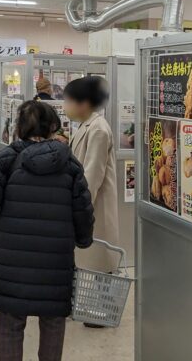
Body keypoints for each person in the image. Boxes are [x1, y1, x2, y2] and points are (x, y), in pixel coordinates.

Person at [0, 101, 94, 361]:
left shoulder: (4, 160)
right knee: (53, 319)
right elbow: (83, 210)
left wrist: (0, 222)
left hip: (11, 257)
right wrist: (83, 240)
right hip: (55, 259)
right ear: (53, 127)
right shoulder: (70, 165)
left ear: (19, 127)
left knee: (10, 321)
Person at [63, 77, 120, 290]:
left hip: (95, 206)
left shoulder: (98, 129)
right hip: (89, 204)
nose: (65, 106)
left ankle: (99, 311)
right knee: (93, 259)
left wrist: (79, 208)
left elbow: (92, 175)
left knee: (99, 261)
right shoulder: (88, 126)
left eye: (68, 101)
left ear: (84, 103)